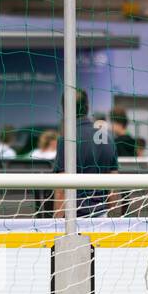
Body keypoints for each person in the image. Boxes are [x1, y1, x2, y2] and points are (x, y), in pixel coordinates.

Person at [53, 89, 118, 217]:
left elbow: (61, 189)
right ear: (87, 107)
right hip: (102, 218)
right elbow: (113, 188)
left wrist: (57, 223)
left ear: (64, 109)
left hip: (72, 220)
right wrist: (113, 222)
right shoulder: (106, 138)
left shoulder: (66, 139)